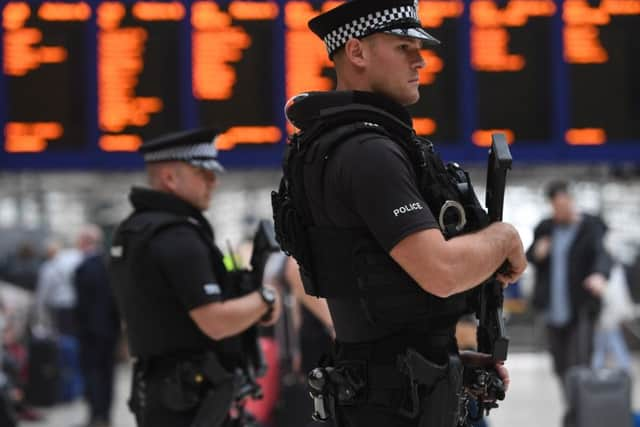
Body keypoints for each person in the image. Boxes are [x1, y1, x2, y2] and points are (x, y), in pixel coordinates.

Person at [270, 1, 527, 426]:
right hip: (396, 410)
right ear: (357, 53)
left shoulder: (327, 145)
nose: (420, 60)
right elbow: (441, 271)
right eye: (404, 46)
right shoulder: (371, 153)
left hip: (378, 392)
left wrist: (444, 361)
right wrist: (505, 238)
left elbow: (373, 307)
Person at [109, 128, 282, 427]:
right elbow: (215, 322)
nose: (213, 182)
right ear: (170, 178)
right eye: (203, 173)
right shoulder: (178, 237)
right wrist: (265, 299)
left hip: (159, 389)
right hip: (191, 395)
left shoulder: (132, 230)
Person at [526, 181, 610, 390]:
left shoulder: (590, 227)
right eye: (556, 207)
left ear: (572, 201)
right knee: (560, 366)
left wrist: (599, 275)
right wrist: (538, 253)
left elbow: (601, 254)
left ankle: (582, 414)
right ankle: (574, 410)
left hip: (579, 307)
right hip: (553, 310)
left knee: (580, 364)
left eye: (564, 205)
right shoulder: (546, 228)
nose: (560, 211)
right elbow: (530, 256)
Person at [73, 224, 121, 427]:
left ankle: (95, 415)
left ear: (84, 241)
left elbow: (82, 304)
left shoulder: (84, 267)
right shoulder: (111, 263)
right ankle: (106, 415)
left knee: (92, 373)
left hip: (89, 331)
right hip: (110, 329)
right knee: (108, 374)